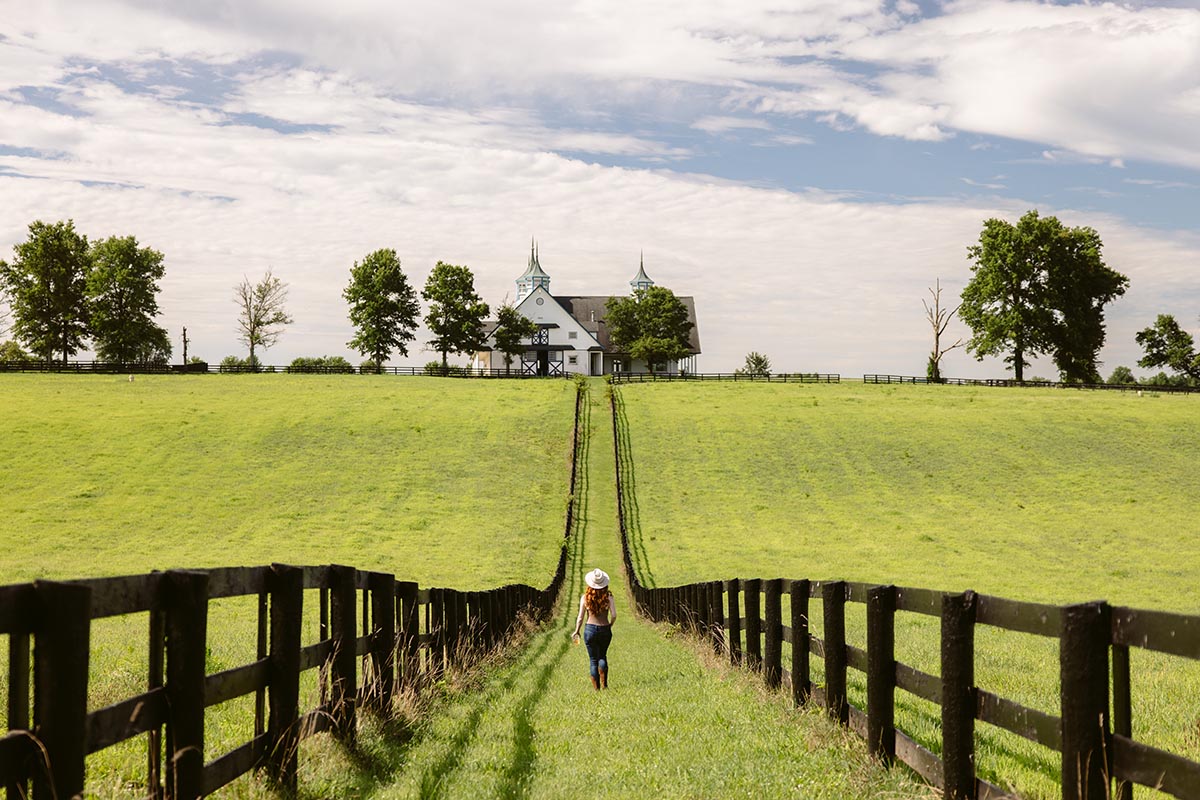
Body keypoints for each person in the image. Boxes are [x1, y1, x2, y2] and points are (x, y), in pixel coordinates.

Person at [571, 568, 616, 690]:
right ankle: (605, 685)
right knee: (602, 656)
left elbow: (580, 617)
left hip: (590, 629)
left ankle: (596, 689)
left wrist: (577, 631)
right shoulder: (609, 597)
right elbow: (614, 615)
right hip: (605, 629)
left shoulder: (585, 598)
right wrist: (610, 624)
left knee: (593, 660)